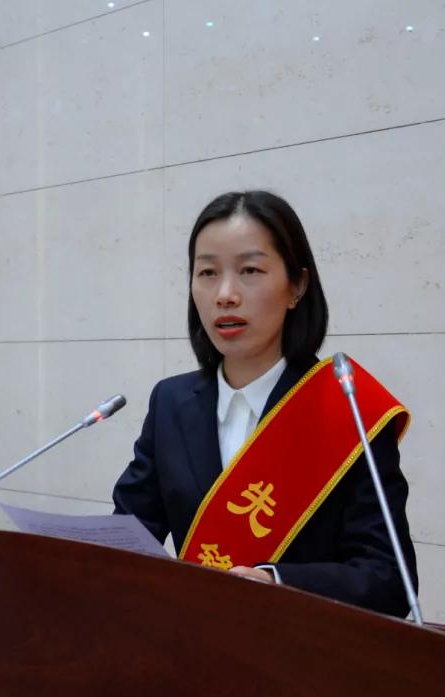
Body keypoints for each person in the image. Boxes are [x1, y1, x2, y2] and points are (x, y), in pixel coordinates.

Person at [112, 190, 418, 618]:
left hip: (305, 649)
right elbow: (127, 537)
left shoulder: (348, 411)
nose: (225, 294)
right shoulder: (171, 403)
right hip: (195, 645)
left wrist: (276, 582)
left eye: (250, 270)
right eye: (207, 272)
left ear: (297, 286)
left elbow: (390, 580)